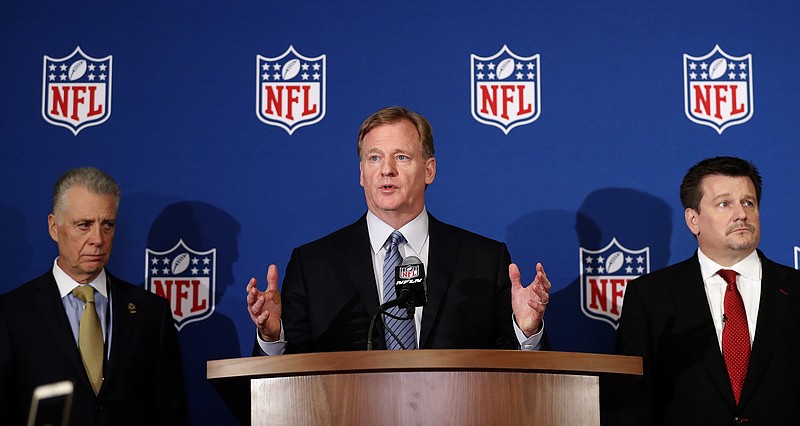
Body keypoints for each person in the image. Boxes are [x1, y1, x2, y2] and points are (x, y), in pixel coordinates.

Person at [246, 106, 551, 354]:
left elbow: (511, 371)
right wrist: (273, 338)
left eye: (401, 157)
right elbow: (288, 378)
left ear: (429, 170)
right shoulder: (313, 265)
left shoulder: (484, 260)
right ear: (362, 173)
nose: (386, 169)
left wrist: (527, 332)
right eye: (374, 157)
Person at [610, 156, 800, 425]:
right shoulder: (651, 296)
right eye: (725, 204)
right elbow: (630, 400)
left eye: (748, 202)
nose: (741, 214)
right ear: (693, 220)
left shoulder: (794, 288)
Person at [0, 167, 187, 425]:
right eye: (84, 225)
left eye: (107, 225)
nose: (98, 239)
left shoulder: (151, 313)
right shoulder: (10, 313)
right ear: (54, 227)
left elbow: (171, 413)